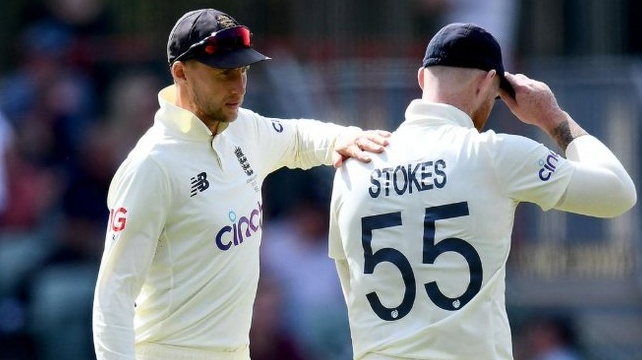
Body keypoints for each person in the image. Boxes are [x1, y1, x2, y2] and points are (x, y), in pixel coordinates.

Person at [92, 8, 390, 360]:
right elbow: (114, 295)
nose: (239, 86)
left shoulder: (243, 129)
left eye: (244, 71)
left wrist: (348, 138)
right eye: (224, 74)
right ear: (180, 73)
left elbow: (298, 138)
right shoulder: (152, 165)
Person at [328, 22, 636, 360]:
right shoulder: (496, 154)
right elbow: (618, 192)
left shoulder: (354, 165)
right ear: (489, 83)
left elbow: (351, 285)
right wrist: (553, 118)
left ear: (421, 79)